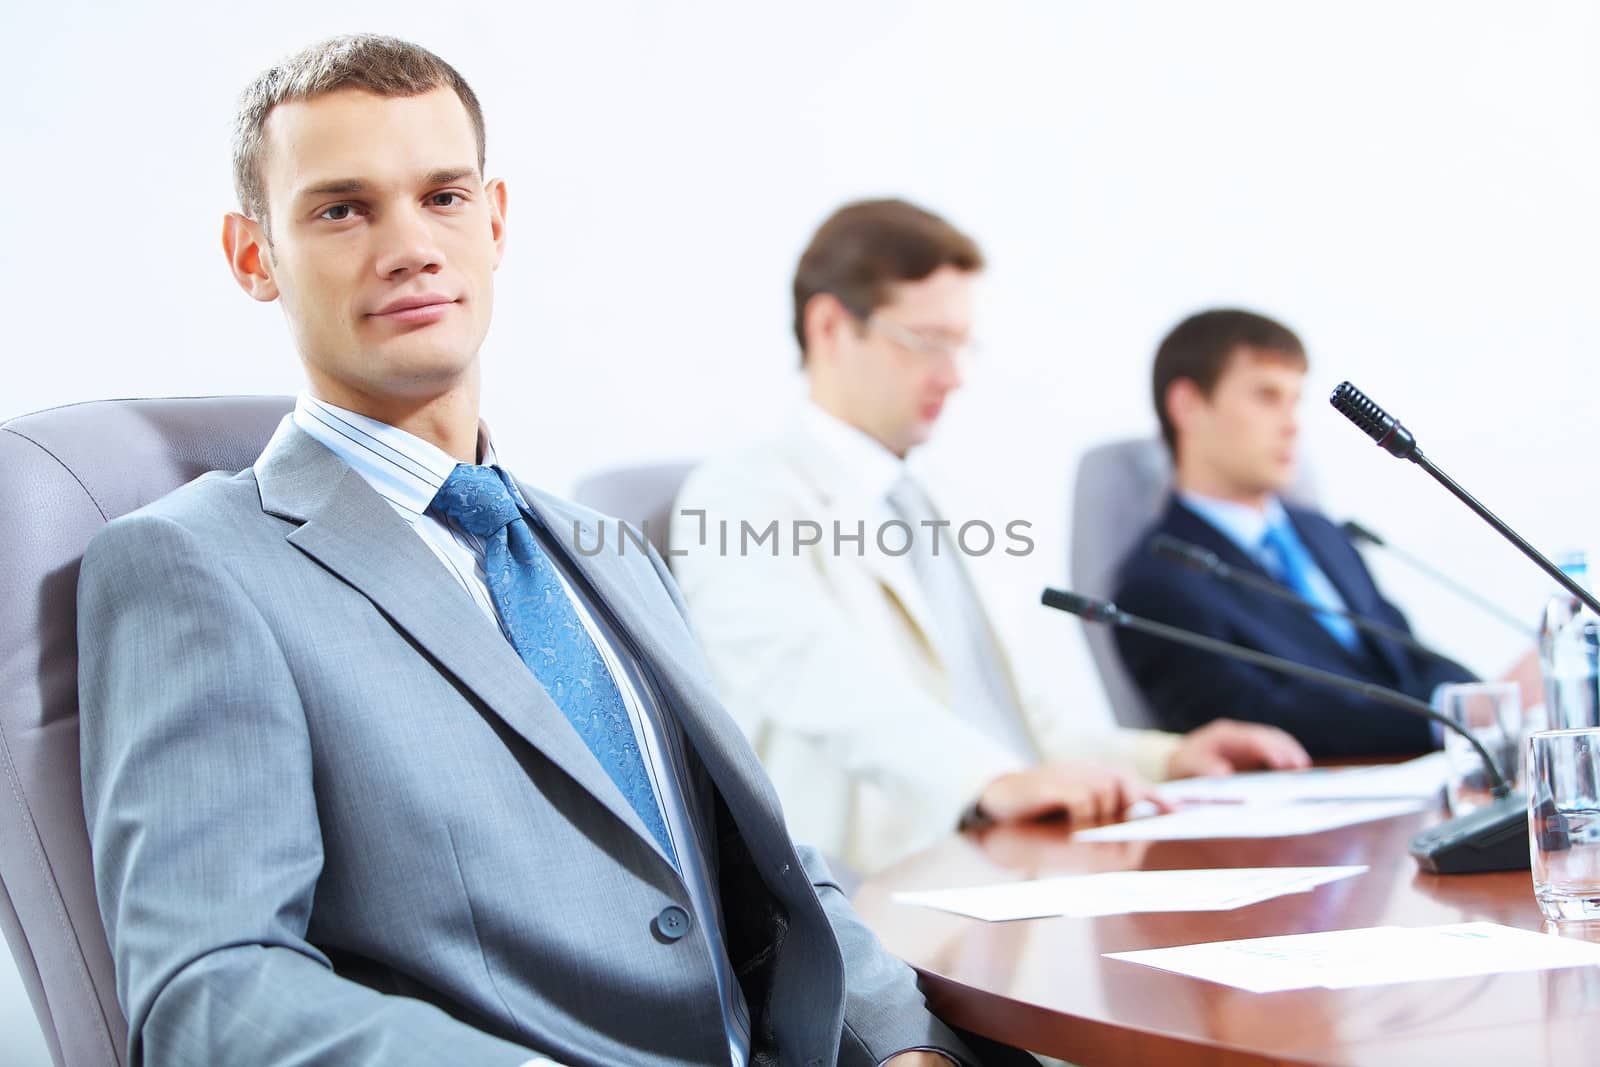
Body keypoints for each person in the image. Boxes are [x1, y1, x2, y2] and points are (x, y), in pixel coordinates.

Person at [76, 36, 1000, 1067]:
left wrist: (902, 1043)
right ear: (254, 257)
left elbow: (766, 863)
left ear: (496, 219)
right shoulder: (193, 568)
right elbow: (210, 991)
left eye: (444, 196)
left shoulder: (602, 549)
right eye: (342, 208)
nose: (411, 245)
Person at [668, 199, 1308, 878]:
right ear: (829, 325)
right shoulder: (741, 493)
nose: (954, 374)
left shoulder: (945, 500)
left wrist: (1165, 758)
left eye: (962, 344)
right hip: (876, 892)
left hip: (1011, 864)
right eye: (926, 341)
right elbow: (816, 677)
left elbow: (1020, 724)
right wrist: (989, 781)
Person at [1111, 308, 1480, 756]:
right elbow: (1263, 720)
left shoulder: (1323, 534)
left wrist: (1482, 700)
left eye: (1294, 401)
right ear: (1187, 405)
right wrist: (1452, 716)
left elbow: (1409, 655)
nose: (1291, 425)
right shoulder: (1158, 581)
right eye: (1267, 397)